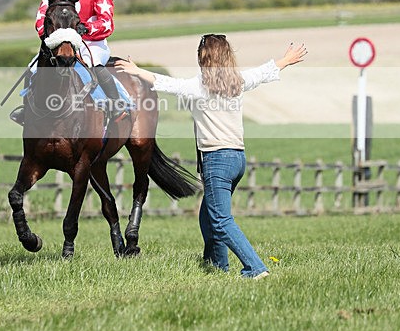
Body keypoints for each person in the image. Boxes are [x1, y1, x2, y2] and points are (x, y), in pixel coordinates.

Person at [116, 35, 307, 278]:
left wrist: (135, 71)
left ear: (201, 58)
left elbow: (164, 83)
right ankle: (217, 267)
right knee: (208, 217)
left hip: (217, 160)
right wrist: (285, 60)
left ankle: (256, 267)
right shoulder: (237, 82)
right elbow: (261, 73)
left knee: (221, 221)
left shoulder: (198, 86)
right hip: (237, 159)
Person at [10, 0, 123, 125]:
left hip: (91, 43)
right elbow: (41, 18)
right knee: (33, 67)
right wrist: (52, 37)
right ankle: (27, 111)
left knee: (93, 65)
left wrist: (85, 28)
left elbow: (107, 23)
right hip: (59, 42)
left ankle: (116, 104)